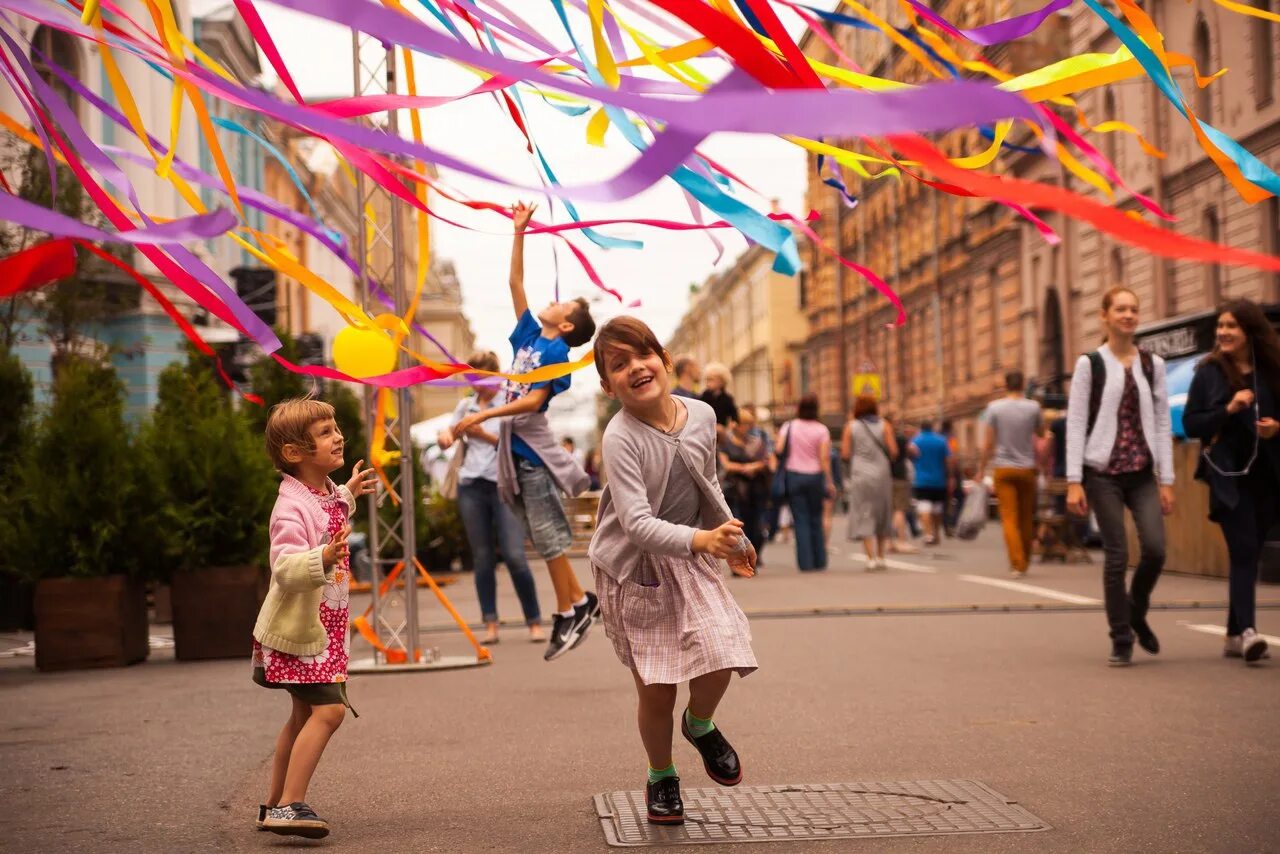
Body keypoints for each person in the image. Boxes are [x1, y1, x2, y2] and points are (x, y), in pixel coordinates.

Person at [588, 316, 758, 826]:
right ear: (607, 384)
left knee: (724, 647)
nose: (636, 368)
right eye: (619, 365)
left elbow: (704, 480)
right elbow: (637, 524)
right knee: (657, 689)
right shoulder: (621, 437)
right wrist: (701, 540)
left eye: (644, 354)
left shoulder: (702, 415)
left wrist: (729, 537)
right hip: (636, 567)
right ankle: (661, 776)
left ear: (663, 359)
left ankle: (700, 724)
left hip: (692, 551)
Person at [449, 201, 598, 662]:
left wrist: (481, 417)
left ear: (567, 324)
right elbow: (515, 283)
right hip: (513, 455)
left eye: (561, 304)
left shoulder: (555, 352)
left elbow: (534, 401)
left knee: (549, 537)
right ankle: (582, 603)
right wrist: (519, 232)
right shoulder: (531, 337)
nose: (550, 303)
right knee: (542, 535)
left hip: (531, 454)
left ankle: (565, 612)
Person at [252, 397, 378, 839]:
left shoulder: (321, 492)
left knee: (304, 715)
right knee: (329, 711)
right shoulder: (289, 506)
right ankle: (290, 805)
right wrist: (321, 556)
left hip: (321, 629)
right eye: (325, 432)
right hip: (304, 632)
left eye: (335, 427)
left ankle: (272, 805)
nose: (338, 436)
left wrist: (348, 494)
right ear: (294, 453)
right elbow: (284, 565)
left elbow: (328, 513)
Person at [1066, 286, 1175, 667]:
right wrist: (1073, 480)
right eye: (1121, 309)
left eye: (1133, 309)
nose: (1128, 315)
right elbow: (1076, 422)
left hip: (1142, 472)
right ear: (1105, 316)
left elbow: (1161, 422)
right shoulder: (1090, 364)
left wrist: (1167, 480)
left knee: (1157, 550)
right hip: (1102, 474)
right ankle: (1121, 637)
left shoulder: (1153, 365)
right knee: (1116, 556)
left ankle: (1136, 610)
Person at [1183, 299, 1278, 664]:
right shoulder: (1207, 373)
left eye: (1231, 326)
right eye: (1220, 325)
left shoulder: (1270, 371)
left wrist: (1275, 429)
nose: (1222, 332)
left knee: (1250, 552)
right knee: (1242, 551)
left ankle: (1233, 633)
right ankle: (1250, 633)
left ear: (1250, 332)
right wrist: (1228, 409)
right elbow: (1192, 424)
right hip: (1227, 477)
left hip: (1267, 477)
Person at [439, 351, 545, 646]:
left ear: (495, 375)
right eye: (472, 379)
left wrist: (483, 434)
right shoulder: (466, 405)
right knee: (482, 558)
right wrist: (446, 437)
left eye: (481, 378)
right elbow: (449, 434)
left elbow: (518, 445)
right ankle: (490, 622)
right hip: (471, 485)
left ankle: (534, 620)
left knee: (514, 555)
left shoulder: (509, 402)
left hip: (502, 485)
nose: (477, 385)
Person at [979, 371, 1044, 577]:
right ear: (1023, 384)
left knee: (1009, 517)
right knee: (1026, 516)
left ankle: (1017, 564)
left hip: (1003, 468)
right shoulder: (1033, 407)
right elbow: (1041, 434)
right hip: (1027, 468)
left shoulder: (994, 408)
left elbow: (988, 443)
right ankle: (1024, 560)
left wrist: (981, 469)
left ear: (1005, 385)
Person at [779, 393, 835, 571]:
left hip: (794, 476)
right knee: (816, 518)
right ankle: (820, 560)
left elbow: (779, 448)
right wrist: (830, 481)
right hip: (815, 477)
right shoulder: (822, 429)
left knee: (800, 519)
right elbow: (824, 458)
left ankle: (806, 563)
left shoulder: (789, 427)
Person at [842, 396, 898, 570]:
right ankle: (881, 556)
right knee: (882, 511)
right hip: (882, 473)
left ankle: (870, 558)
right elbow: (894, 451)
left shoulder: (851, 426)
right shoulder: (885, 425)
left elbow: (844, 453)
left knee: (864, 511)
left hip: (861, 474)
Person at [719, 406, 770, 567]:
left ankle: (754, 555)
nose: (746, 428)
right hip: (734, 490)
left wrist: (754, 467)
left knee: (756, 526)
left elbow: (765, 461)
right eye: (743, 424)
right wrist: (744, 468)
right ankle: (739, 561)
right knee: (738, 527)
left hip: (755, 489)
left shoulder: (756, 442)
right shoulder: (725, 443)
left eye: (749, 424)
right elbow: (725, 464)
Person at [910, 421, 951, 546]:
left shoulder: (915, 441)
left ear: (921, 428)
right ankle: (937, 533)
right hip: (939, 480)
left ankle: (928, 535)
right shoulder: (941, 441)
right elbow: (948, 459)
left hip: (921, 480)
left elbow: (911, 457)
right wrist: (950, 477)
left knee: (924, 507)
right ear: (932, 428)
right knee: (937, 508)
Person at [700, 362, 738, 429]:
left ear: (722, 381)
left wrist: (733, 423)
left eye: (711, 380)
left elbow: (734, 414)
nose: (707, 383)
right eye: (706, 380)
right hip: (706, 427)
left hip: (721, 429)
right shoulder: (704, 396)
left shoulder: (727, 398)